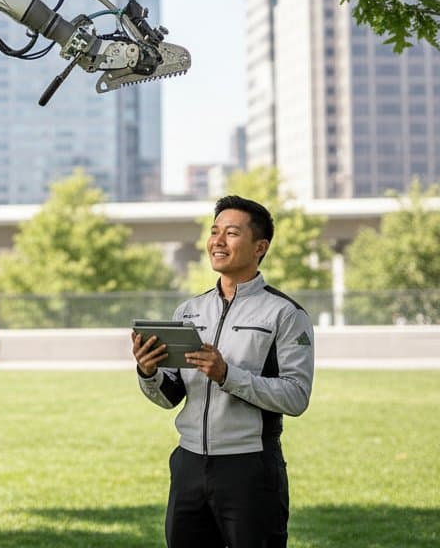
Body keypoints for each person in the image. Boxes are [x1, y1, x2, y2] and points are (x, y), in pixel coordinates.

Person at [132, 195, 315, 548]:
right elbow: (170, 396)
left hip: (249, 469)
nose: (217, 241)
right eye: (214, 231)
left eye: (231, 233)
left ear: (260, 247)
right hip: (188, 466)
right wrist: (148, 371)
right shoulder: (188, 311)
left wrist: (227, 375)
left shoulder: (286, 315)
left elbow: (296, 397)